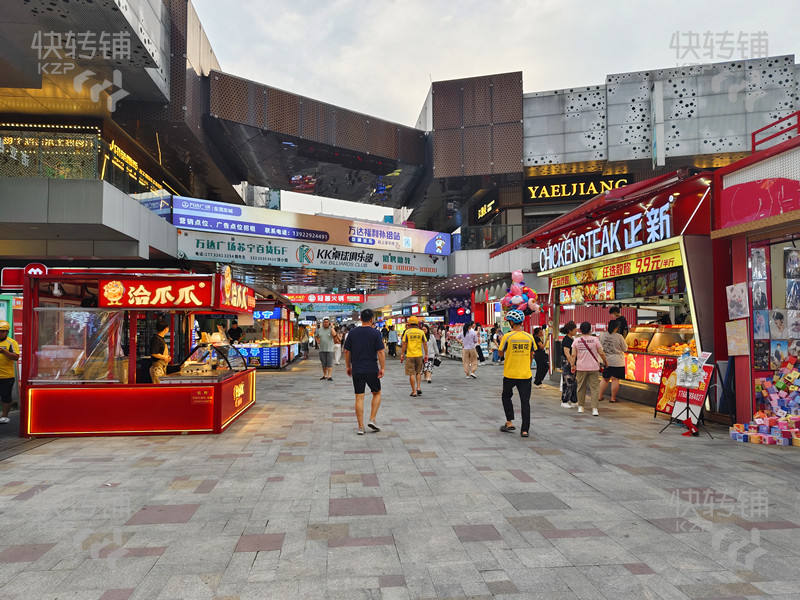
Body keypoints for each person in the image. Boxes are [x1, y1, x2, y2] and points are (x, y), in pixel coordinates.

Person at [344, 309, 386, 435]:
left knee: (359, 396)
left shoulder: (352, 332)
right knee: (377, 393)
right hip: (372, 368)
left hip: (357, 368)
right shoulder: (375, 333)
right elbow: (380, 352)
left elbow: (346, 351)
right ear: (372, 319)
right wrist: (382, 367)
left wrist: (348, 366)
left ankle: (360, 427)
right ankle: (372, 419)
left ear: (360, 319)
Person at [498, 310, 535, 438]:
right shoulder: (529, 337)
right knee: (525, 402)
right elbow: (532, 354)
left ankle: (509, 422)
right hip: (525, 374)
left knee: (506, 396)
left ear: (512, 322)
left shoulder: (507, 337)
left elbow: (500, 353)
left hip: (510, 373)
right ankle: (525, 430)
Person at [572, 321, 608, 416]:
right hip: (593, 367)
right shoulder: (595, 339)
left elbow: (573, 355)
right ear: (590, 329)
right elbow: (601, 352)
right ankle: (594, 409)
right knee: (595, 388)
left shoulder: (576, 340)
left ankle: (581, 407)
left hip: (581, 367)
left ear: (581, 330)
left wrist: (572, 365)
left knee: (580, 387)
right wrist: (605, 362)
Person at [599, 320, 627, 403]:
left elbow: (600, 346)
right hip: (617, 361)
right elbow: (625, 348)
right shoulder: (619, 337)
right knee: (615, 379)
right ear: (617, 327)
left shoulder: (602, 335)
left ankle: (599, 396)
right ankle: (613, 398)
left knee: (605, 379)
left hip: (606, 360)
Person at [400, 316, 428, 397]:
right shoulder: (421, 332)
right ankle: (418, 387)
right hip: (419, 355)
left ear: (409, 324)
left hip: (410, 355)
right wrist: (426, 354)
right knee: (418, 372)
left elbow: (404, 344)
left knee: (411, 373)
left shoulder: (407, 332)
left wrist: (402, 354)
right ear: (417, 323)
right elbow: (425, 343)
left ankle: (414, 391)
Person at [0, 321, 20, 424]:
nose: (0, 333)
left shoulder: (11, 342)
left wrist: (4, 352)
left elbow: (16, 357)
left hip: (6, 376)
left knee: (5, 396)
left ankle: (4, 416)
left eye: (2, 331)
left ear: (7, 332)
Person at [560, 321, 578, 408]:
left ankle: (573, 400)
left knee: (573, 382)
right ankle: (564, 400)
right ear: (570, 330)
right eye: (575, 329)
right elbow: (567, 353)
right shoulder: (567, 340)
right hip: (567, 363)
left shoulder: (571, 339)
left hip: (571, 362)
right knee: (568, 382)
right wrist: (572, 364)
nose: (576, 331)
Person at [149, 319, 171, 384]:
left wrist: (167, 357)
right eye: (168, 328)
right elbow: (153, 353)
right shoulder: (156, 339)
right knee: (158, 387)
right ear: (165, 329)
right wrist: (164, 357)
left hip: (162, 367)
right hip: (157, 368)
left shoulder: (161, 339)